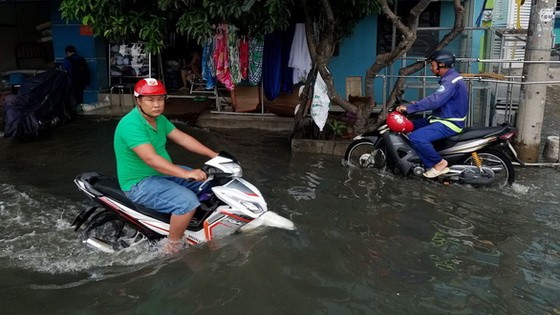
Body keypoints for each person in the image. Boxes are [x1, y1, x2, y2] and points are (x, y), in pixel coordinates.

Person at [114, 78, 219, 254]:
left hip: (163, 174)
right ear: (138, 101)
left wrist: (214, 155)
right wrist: (184, 174)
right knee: (187, 202)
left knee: (210, 182)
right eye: (150, 100)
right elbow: (151, 159)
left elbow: (183, 139)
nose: (156, 105)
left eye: (160, 99)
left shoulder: (159, 120)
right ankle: (172, 247)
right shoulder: (130, 124)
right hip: (139, 183)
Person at [396, 50, 469, 178]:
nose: (431, 67)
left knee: (417, 138)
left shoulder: (450, 81)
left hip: (448, 122)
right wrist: (415, 103)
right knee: (410, 126)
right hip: (440, 118)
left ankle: (439, 163)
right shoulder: (450, 78)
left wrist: (410, 108)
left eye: (432, 64)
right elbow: (439, 99)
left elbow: (435, 101)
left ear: (441, 64)